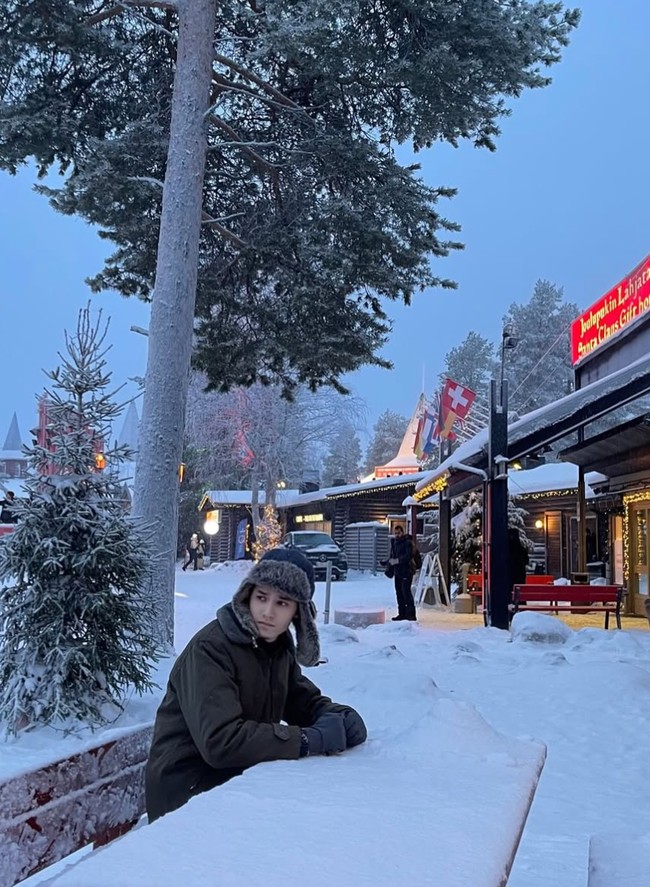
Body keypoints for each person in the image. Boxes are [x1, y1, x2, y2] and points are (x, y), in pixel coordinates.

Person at [145, 547, 367, 822]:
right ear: (248, 595)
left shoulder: (274, 646)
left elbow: (300, 699)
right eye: (261, 597)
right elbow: (221, 742)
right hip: (186, 798)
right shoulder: (211, 650)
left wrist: (338, 716)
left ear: (298, 614)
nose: (268, 612)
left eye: (282, 603)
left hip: (237, 783)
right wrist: (307, 740)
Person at [387, 525, 417, 622]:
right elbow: (393, 555)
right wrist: (388, 562)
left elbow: (408, 556)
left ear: (402, 532)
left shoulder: (407, 542)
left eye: (398, 533)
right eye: (395, 533)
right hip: (398, 572)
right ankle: (402, 614)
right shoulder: (394, 543)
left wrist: (396, 561)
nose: (397, 535)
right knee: (399, 593)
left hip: (406, 571)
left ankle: (411, 615)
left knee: (406, 593)